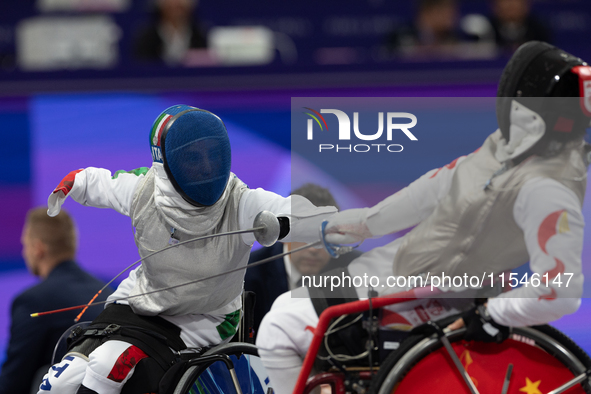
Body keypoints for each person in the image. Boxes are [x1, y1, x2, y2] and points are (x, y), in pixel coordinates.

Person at [256, 41, 591, 393]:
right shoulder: (501, 154)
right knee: (288, 303)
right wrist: (330, 228)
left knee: (280, 325)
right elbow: (411, 202)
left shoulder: (547, 188)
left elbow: (560, 290)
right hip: (402, 277)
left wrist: (492, 315)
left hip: (437, 296)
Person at [37, 105, 336, 394]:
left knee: (107, 365)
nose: (207, 167)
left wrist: (282, 225)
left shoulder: (241, 202)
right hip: (139, 300)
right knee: (61, 380)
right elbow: (100, 182)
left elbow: (307, 214)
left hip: (204, 318)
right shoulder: (143, 189)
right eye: (193, 157)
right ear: (165, 160)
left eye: (213, 155)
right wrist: (71, 184)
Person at [0, 208, 113, 394]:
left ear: (38, 249)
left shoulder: (32, 301)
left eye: (25, 245)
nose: (23, 252)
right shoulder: (106, 292)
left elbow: (12, 385)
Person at [245, 183, 362, 336]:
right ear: (284, 234)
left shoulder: (356, 270)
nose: (314, 249)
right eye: (306, 237)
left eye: (323, 238)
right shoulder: (250, 273)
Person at [133, 0, 207, 65]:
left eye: (179, 4)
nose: (175, 5)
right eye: (170, 3)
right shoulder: (147, 38)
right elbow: (143, 64)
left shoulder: (199, 35)